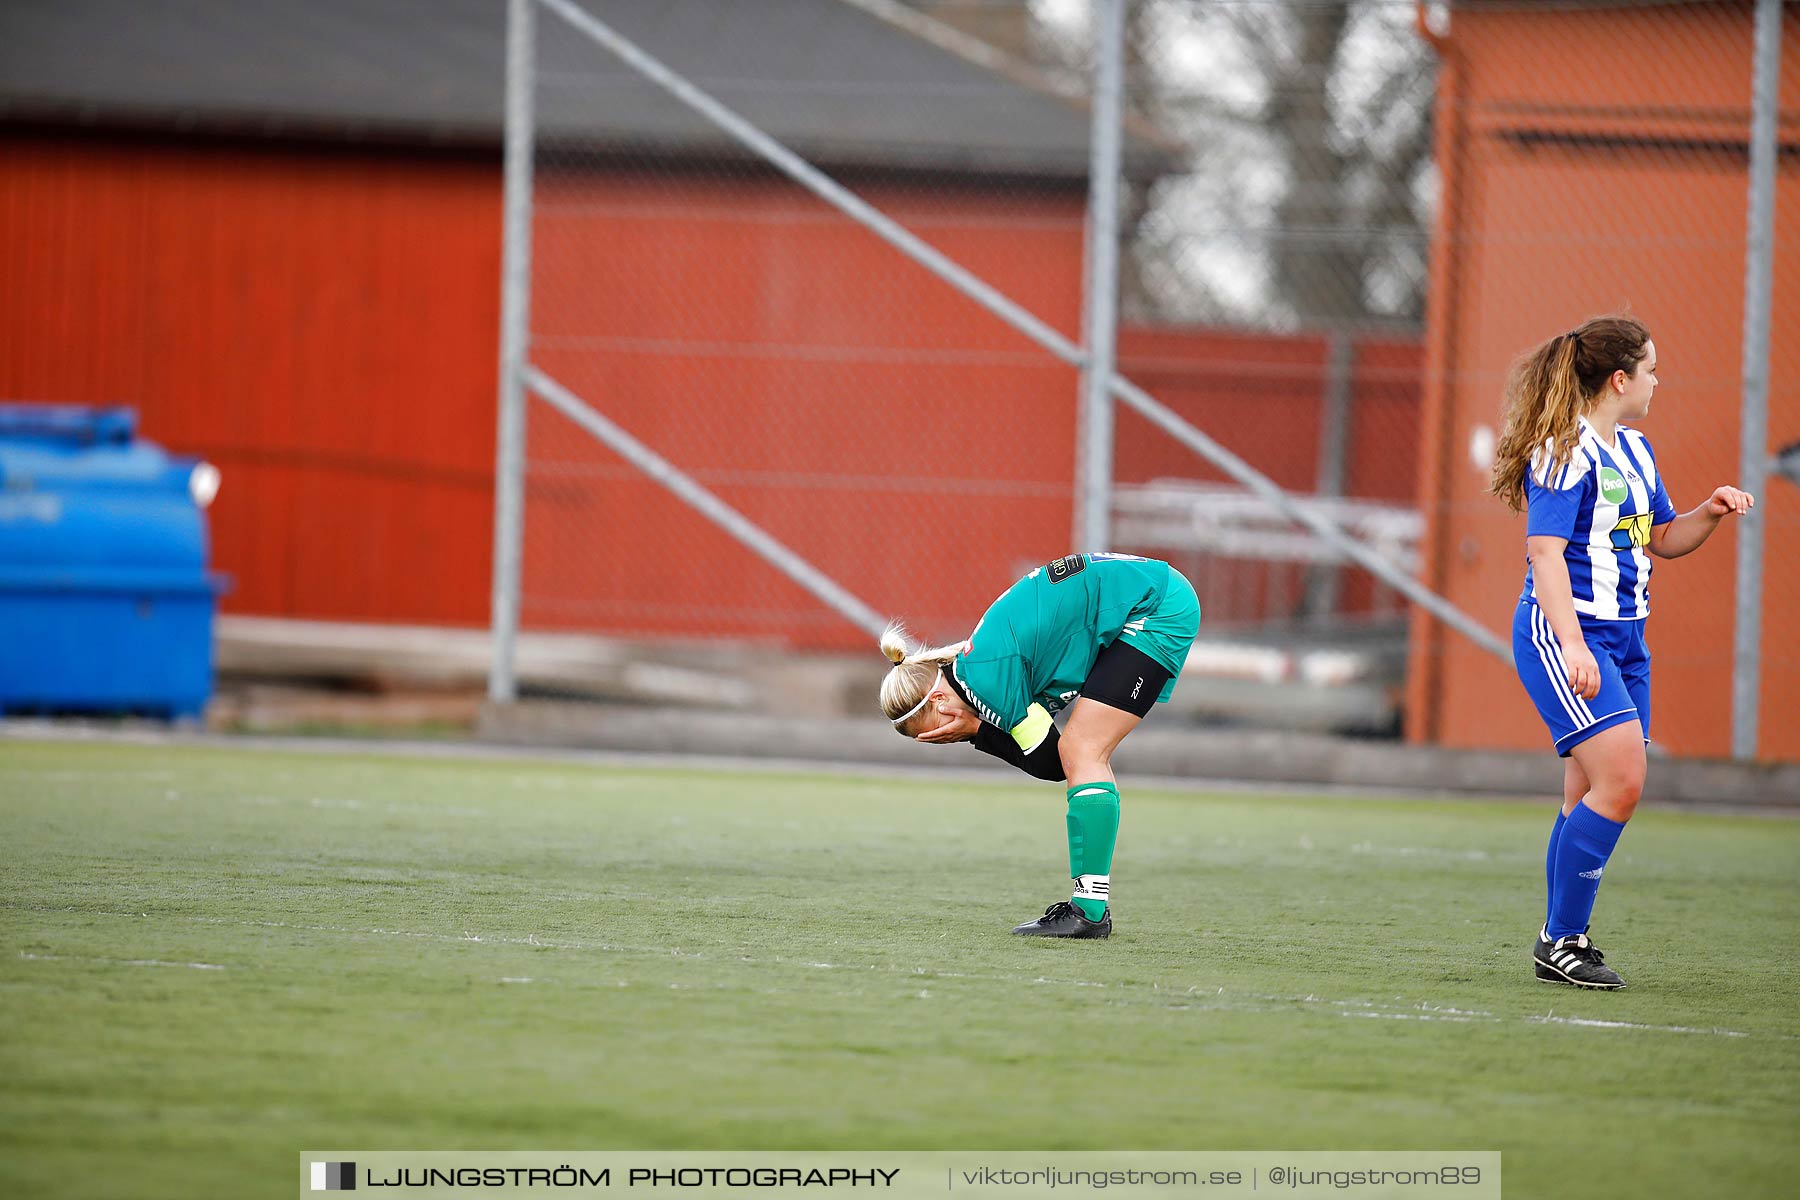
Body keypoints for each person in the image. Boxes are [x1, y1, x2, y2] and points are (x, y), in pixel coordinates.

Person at [1490, 314, 1754, 989]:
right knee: (1624, 780)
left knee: (1589, 787)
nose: (1657, 381)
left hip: (1627, 639)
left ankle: (1561, 941)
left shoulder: (1635, 450)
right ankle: (1562, 940)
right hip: (1563, 635)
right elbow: (1545, 557)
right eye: (1651, 370)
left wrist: (1709, 512)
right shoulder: (1562, 451)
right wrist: (1573, 645)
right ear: (1619, 379)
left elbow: (1660, 536)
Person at [878, 552, 1201, 939]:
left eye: (932, 733)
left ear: (939, 702)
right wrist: (980, 731)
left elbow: (1052, 761)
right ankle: (1090, 908)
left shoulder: (985, 685)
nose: (942, 738)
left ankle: (1089, 913)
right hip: (1149, 596)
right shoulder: (974, 669)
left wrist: (976, 733)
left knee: (1082, 751)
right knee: (1084, 751)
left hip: (1156, 607)